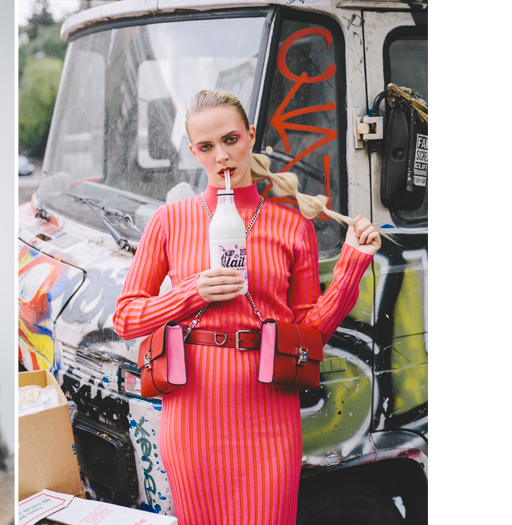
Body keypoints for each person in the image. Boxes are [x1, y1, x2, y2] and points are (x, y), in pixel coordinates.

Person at [112, 89, 381, 524]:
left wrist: (352, 260)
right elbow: (125, 318)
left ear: (251, 136)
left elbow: (310, 333)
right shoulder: (170, 221)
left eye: (231, 139)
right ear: (194, 151)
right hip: (191, 413)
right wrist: (190, 293)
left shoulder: (292, 225)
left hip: (269, 411)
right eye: (206, 146)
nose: (222, 156)